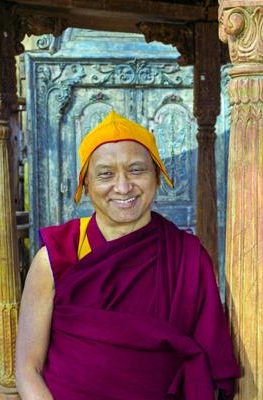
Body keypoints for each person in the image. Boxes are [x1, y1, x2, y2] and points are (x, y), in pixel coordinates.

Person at [16, 111, 239, 400]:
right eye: (105, 174)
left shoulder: (188, 257)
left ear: (158, 177)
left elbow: (210, 362)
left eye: (136, 170)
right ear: (85, 185)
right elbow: (28, 368)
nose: (123, 187)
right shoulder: (56, 258)